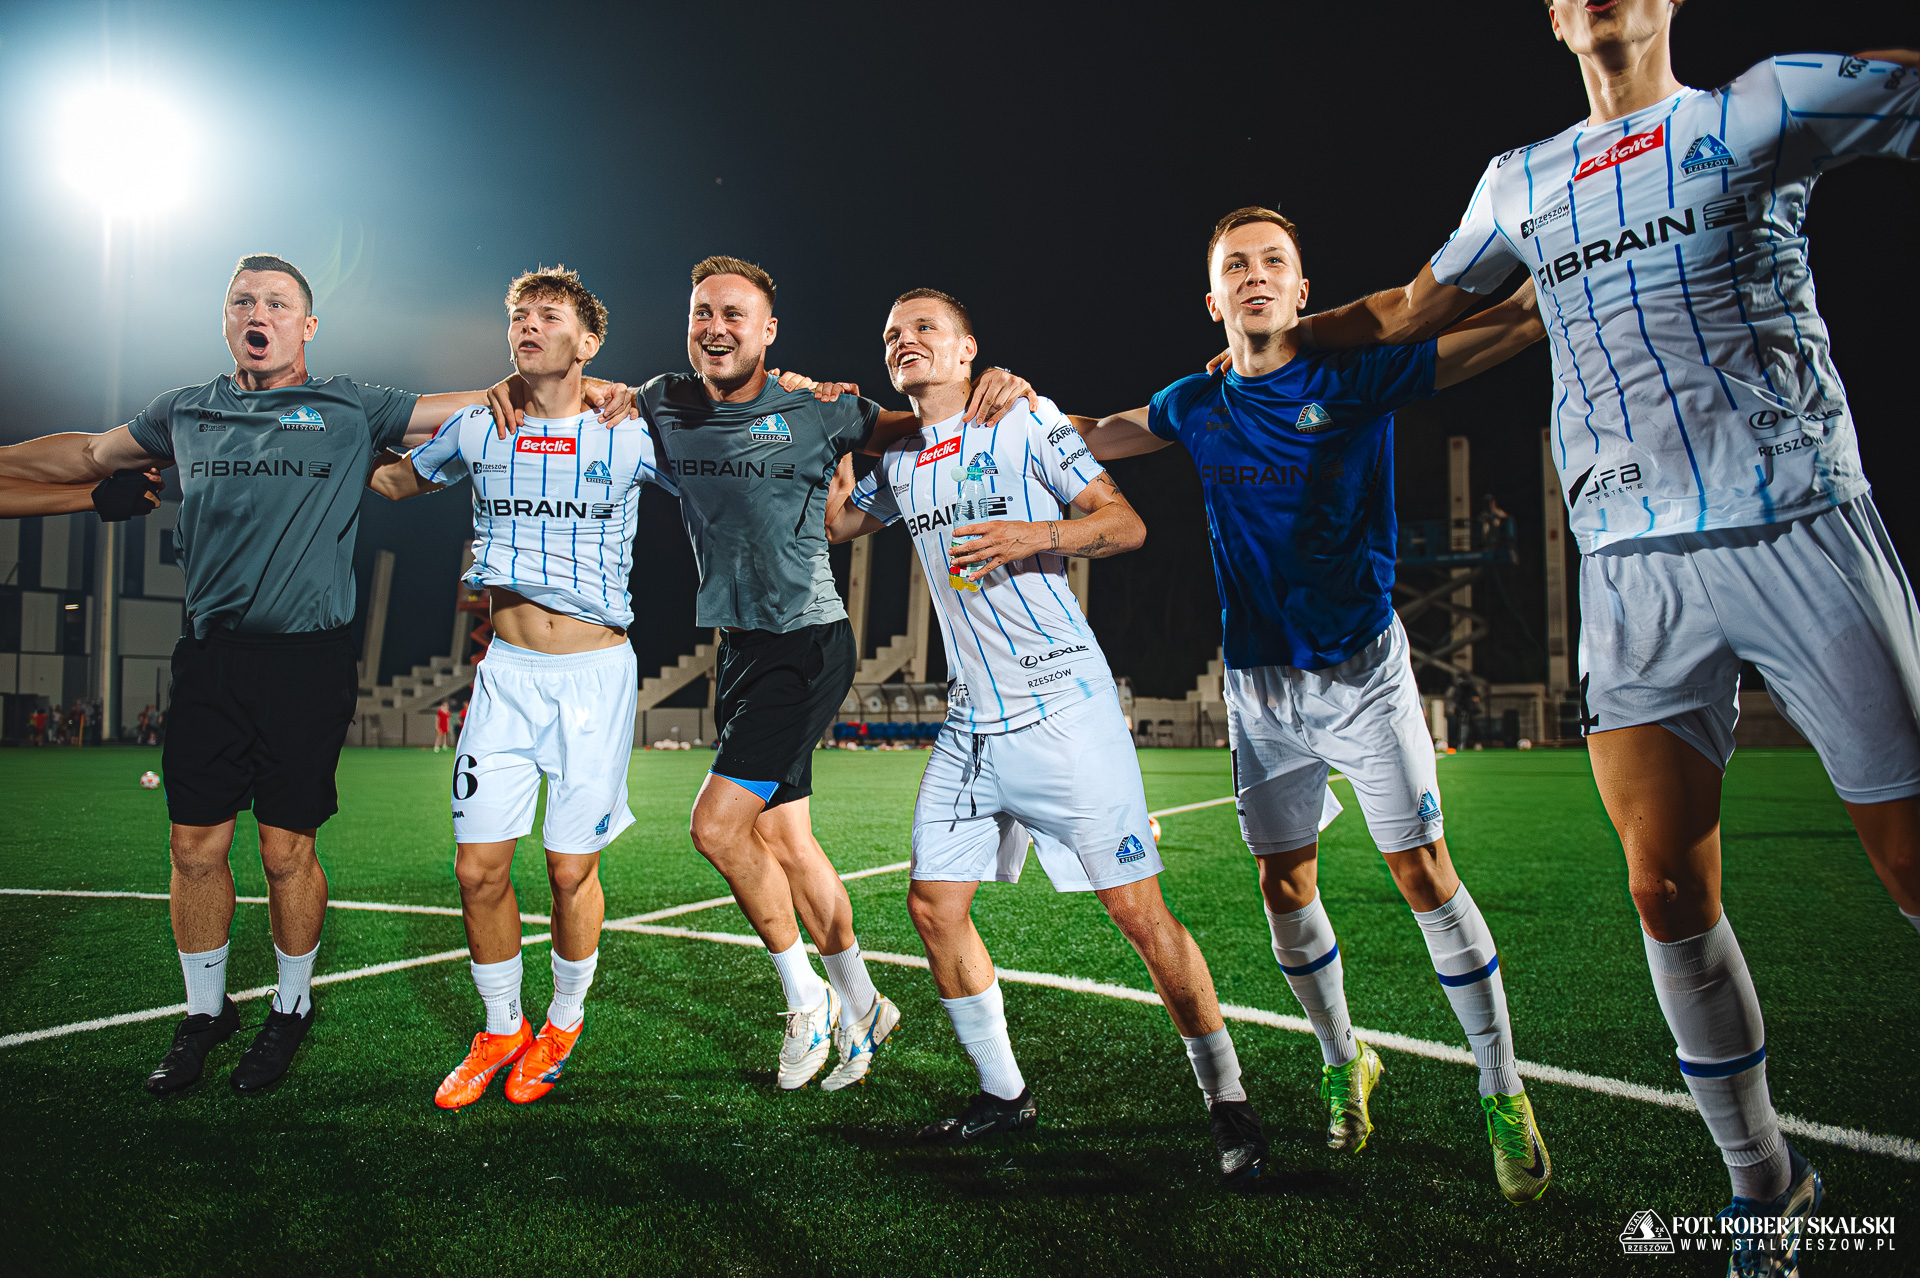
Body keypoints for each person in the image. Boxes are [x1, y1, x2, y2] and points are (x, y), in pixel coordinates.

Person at [1292, 3, 1920, 1264]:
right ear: (1554, 17)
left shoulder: (1764, 105)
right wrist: (1279, 337)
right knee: (1664, 885)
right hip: (1631, 568)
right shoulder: (1519, 183)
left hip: (1799, 524)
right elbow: (1409, 308)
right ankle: (1764, 1185)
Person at [0, 252, 639, 1097]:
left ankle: (300, 1008)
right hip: (211, 656)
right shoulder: (182, 410)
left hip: (319, 661)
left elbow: (507, 398)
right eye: (242, 301)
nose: (256, 313)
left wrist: (609, 388)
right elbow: (86, 454)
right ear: (226, 319)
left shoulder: (353, 404)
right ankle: (210, 1014)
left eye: (276, 302)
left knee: (291, 850)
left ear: (306, 325)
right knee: (197, 848)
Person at [1076, 206, 1553, 1202]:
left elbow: (1501, 332)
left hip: (1362, 673)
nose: (1255, 275)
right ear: (1214, 300)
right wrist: (986, 407)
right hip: (1259, 686)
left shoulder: (1354, 375)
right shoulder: (1194, 402)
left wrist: (1569, 257)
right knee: (1284, 886)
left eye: (1274, 263)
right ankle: (1346, 1059)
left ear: (1301, 290)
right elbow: (1093, 434)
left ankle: (1502, 1088)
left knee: (1423, 875)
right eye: (1236, 266)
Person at [825, 288, 1287, 1186]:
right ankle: (1005, 1096)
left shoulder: (1024, 418)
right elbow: (841, 524)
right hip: (971, 722)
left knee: (1139, 914)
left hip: (1062, 711)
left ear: (968, 350)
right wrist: (837, 428)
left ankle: (1228, 1100)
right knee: (933, 907)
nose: (903, 341)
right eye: (890, 335)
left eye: (924, 329)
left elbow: (1126, 524)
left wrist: (1037, 534)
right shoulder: (903, 459)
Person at [638, 255, 1034, 1091]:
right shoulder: (662, 402)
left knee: (717, 829)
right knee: (785, 838)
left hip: (807, 642)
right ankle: (864, 1004)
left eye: (734, 314)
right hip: (739, 649)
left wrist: (998, 389)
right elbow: (572, 400)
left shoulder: (818, 408)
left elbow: (926, 422)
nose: (715, 326)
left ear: (768, 331)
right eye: (702, 312)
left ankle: (806, 998)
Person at [369, 267, 675, 1108]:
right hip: (505, 678)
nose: (528, 327)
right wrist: (326, 436)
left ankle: (562, 1026)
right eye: (518, 315)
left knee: (570, 872)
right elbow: (396, 479)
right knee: (478, 871)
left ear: (590, 342)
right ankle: (502, 1028)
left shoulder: (630, 431)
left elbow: (721, 476)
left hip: (595, 678)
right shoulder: (480, 425)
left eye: (548, 315)